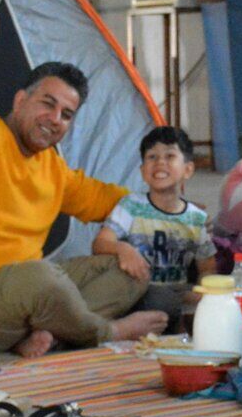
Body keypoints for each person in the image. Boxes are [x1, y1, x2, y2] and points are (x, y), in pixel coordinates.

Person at [0, 13, 169, 358]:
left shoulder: (52, 168)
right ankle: (106, 331)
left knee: (130, 271)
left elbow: (108, 201)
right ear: (20, 101)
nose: (55, 119)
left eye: (66, 114)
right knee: (41, 278)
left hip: (19, 299)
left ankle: (45, 334)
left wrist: (173, 209)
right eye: (47, 103)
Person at [93, 126, 216, 323]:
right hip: (136, 293)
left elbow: (207, 268)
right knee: (160, 300)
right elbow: (100, 244)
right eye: (152, 157)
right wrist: (123, 249)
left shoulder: (197, 219)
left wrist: (202, 294)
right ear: (143, 171)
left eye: (170, 156)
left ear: (188, 170)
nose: (160, 162)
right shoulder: (131, 206)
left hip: (177, 294)